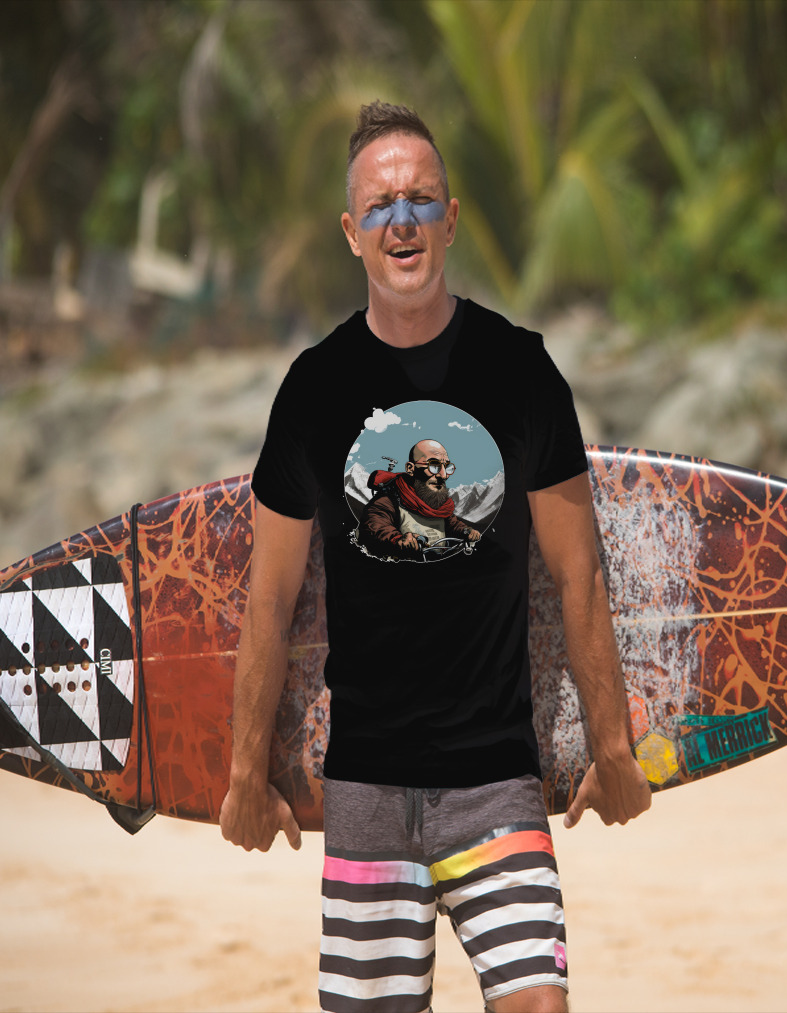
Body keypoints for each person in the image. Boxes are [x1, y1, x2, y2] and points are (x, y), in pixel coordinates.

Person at [220, 100, 651, 1013]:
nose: (402, 220)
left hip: (496, 779)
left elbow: (579, 574)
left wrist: (612, 746)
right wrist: (242, 772)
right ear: (351, 233)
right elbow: (269, 600)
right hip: (367, 786)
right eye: (380, 206)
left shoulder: (522, 372)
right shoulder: (314, 390)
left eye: (421, 200)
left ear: (450, 219)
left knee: (540, 1003)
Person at [356, 438, 482, 561]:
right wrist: (398, 540)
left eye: (447, 467)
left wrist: (466, 531)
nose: (443, 475)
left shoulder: (436, 500)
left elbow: (452, 524)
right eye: (434, 466)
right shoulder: (388, 500)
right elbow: (377, 527)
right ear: (411, 468)